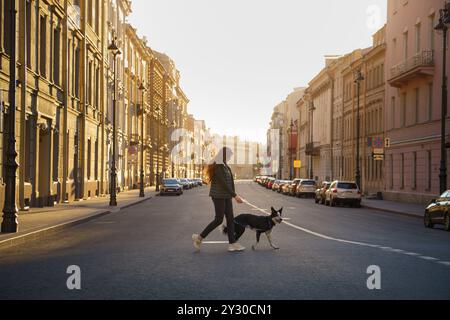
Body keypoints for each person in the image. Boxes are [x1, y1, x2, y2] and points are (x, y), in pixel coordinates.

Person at [192, 147, 246, 252]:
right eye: (229, 155)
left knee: (230, 219)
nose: (230, 157)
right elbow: (223, 183)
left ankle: (232, 244)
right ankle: (199, 238)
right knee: (219, 219)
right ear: (224, 155)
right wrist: (235, 196)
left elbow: (230, 181)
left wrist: (233, 195)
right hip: (218, 196)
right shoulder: (217, 166)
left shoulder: (225, 165)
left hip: (226, 196)